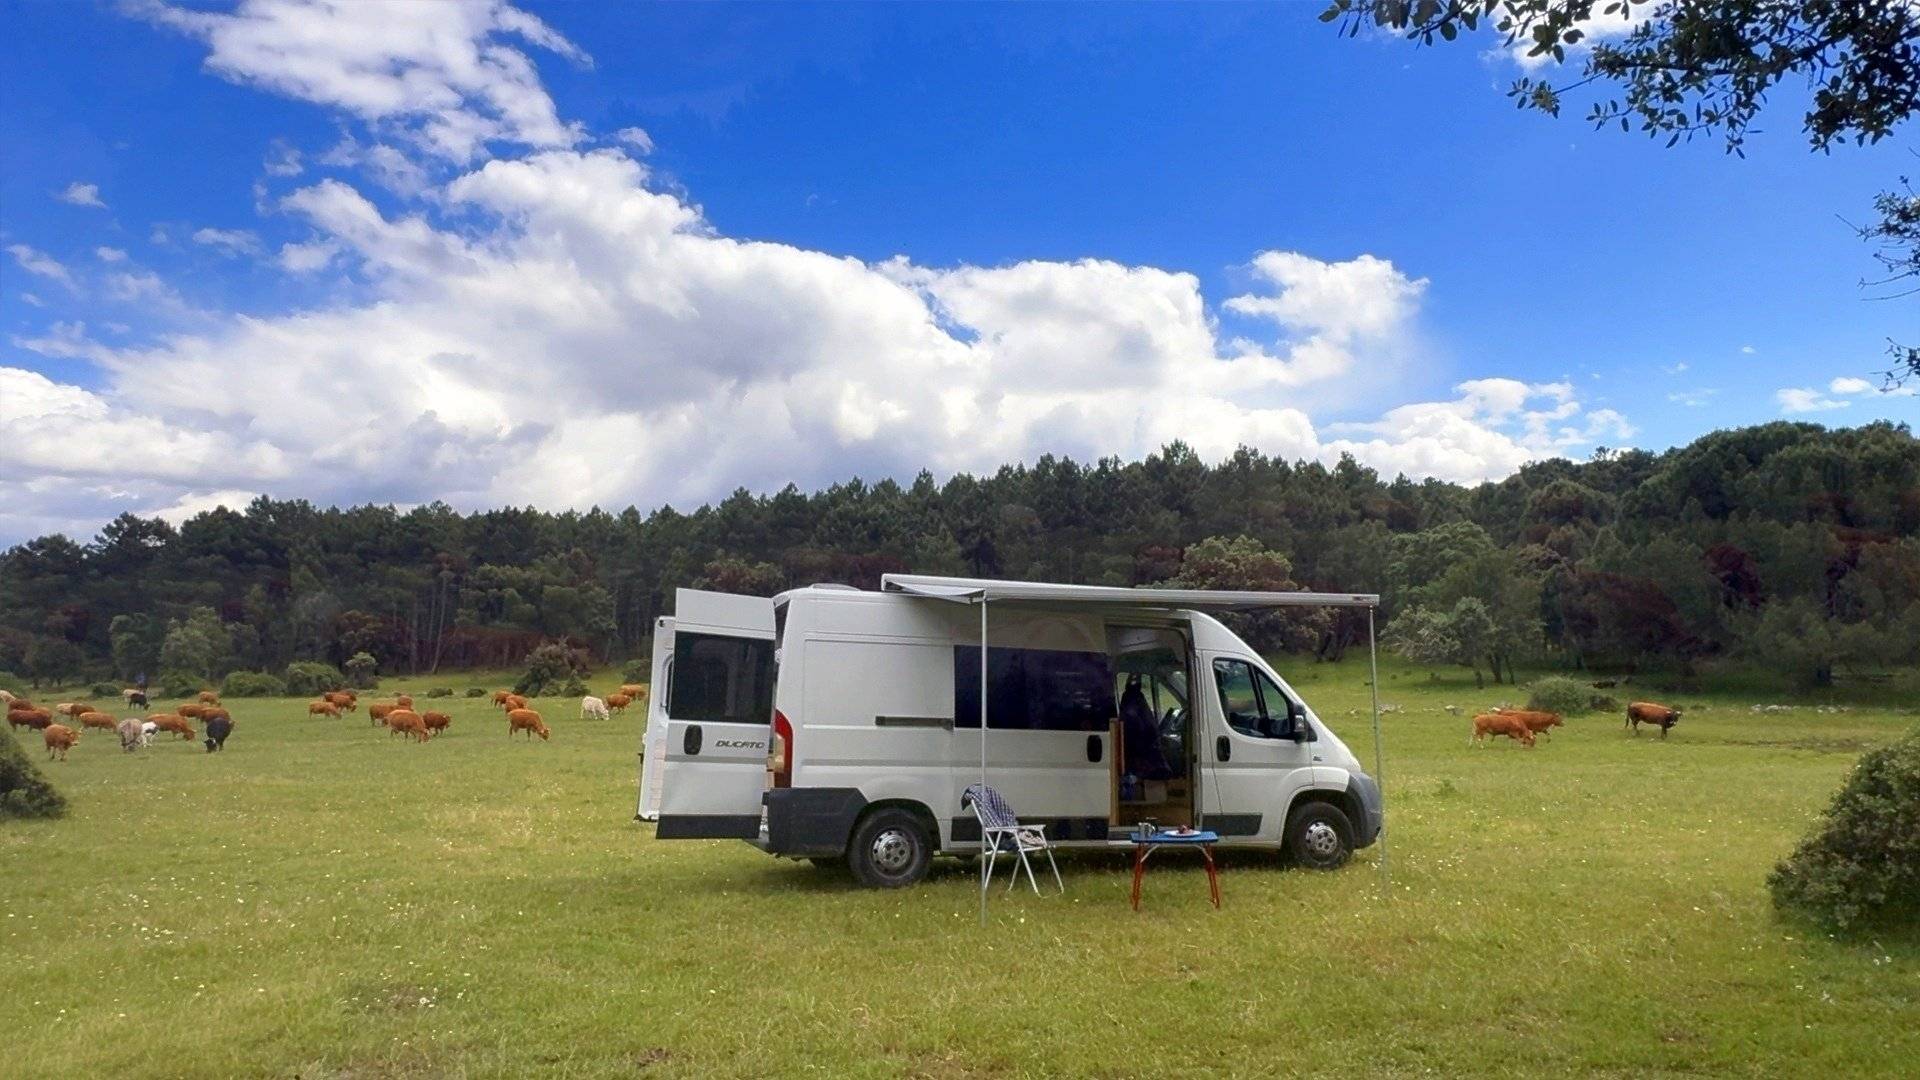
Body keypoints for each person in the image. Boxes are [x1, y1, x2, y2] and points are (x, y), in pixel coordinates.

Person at [1119, 675, 1174, 782]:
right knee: (1162, 770)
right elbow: (1149, 730)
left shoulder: (1130, 699)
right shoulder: (1136, 700)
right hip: (1141, 755)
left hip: (1135, 753)